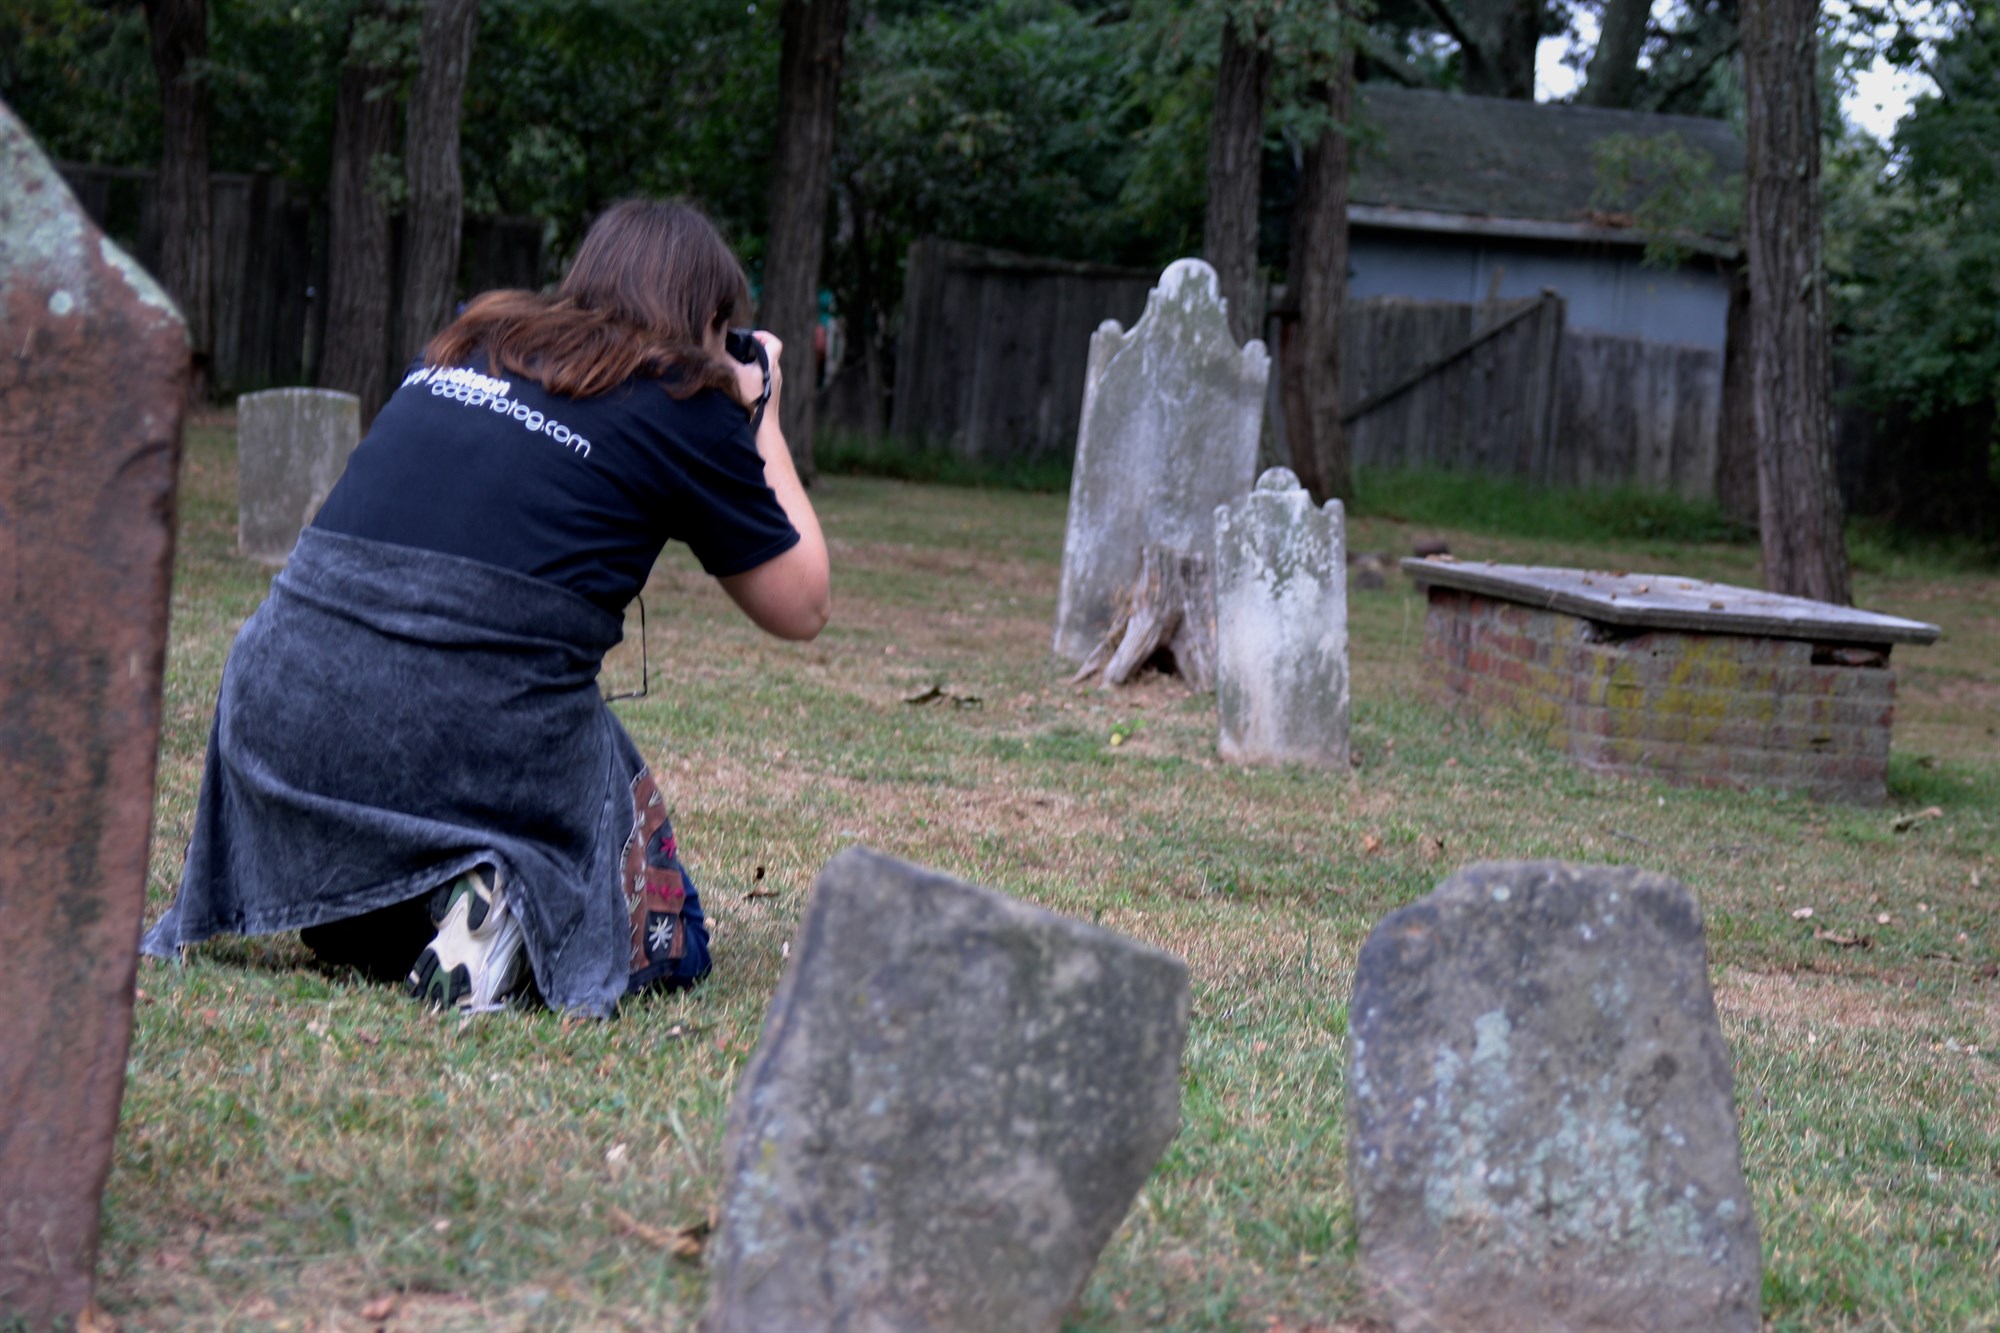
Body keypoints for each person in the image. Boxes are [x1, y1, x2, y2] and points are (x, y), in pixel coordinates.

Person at [141, 200, 829, 1018]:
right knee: (667, 921)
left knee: (350, 925)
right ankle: (512, 905)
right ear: (708, 322)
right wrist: (760, 411)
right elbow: (802, 602)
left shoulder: (472, 338)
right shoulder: (686, 398)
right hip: (468, 725)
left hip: (276, 714)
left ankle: (432, 907)